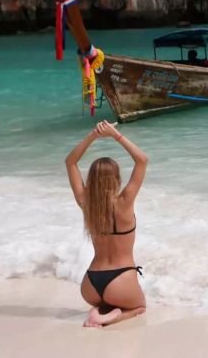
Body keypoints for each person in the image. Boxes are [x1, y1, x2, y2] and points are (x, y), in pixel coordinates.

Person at [65, 120, 148, 328]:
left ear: (91, 179)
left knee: (110, 301)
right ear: (117, 179)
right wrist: (115, 135)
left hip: (90, 285)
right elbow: (142, 160)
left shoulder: (86, 203)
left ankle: (100, 308)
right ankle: (109, 317)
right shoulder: (125, 201)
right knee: (139, 307)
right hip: (120, 281)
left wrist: (94, 135)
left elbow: (70, 162)